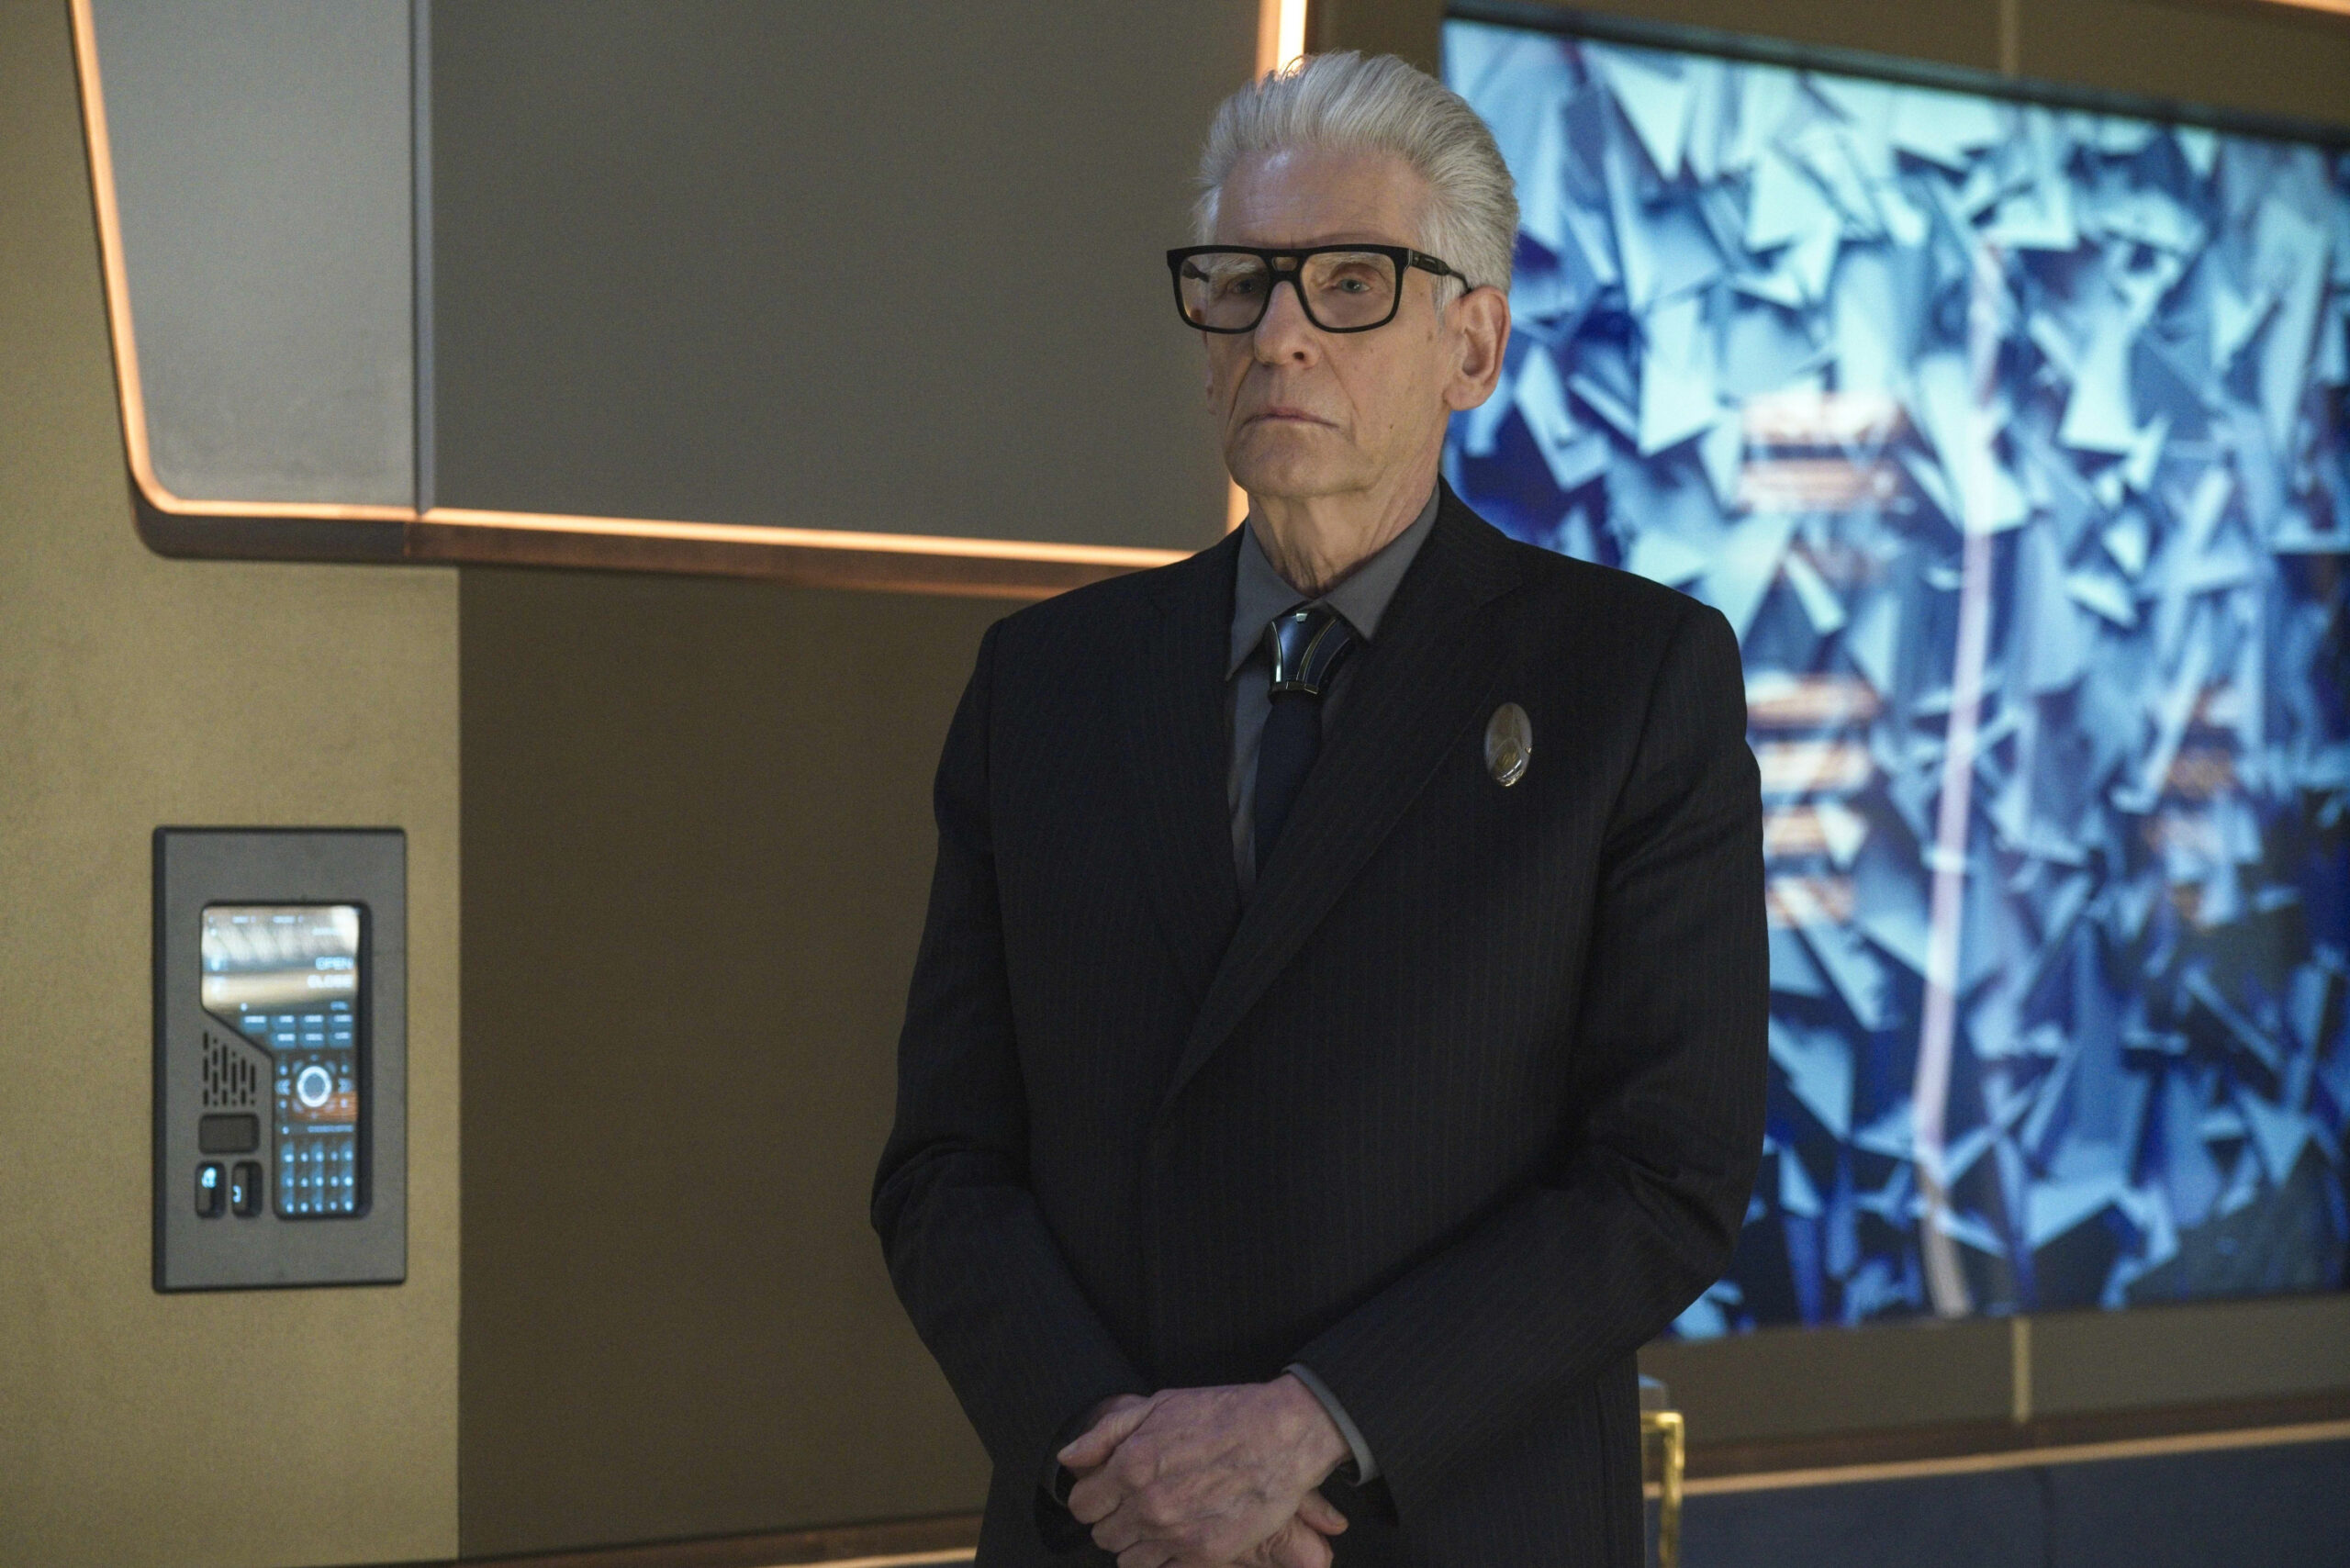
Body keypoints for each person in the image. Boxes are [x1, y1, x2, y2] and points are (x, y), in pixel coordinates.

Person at [873, 51, 1767, 1568]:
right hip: (1108, 1528)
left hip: (1446, 1522)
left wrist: (1311, 1426)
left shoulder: (1631, 679)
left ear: (1472, 344)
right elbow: (944, 1168)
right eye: (1240, 282)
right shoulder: (1045, 683)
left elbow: (1663, 1175)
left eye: (1352, 283)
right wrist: (1121, 1462)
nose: (1279, 332)